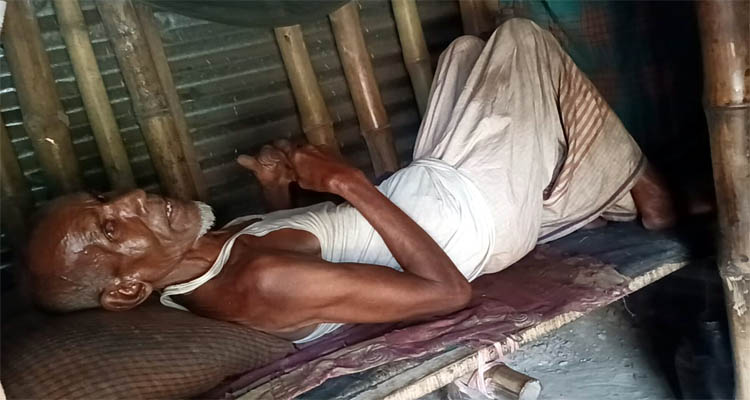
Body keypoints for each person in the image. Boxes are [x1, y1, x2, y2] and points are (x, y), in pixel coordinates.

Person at [23, 19, 675, 343]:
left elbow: (314, 242)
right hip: (468, 223)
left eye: (105, 198)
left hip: (427, 191)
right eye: (113, 227)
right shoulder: (257, 284)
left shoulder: (199, 259)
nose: (131, 198)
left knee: (465, 55)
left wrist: (278, 191)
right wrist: (347, 181)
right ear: (126, 289)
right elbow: (447, 294)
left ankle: (606, 185)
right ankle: (646, 186)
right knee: (521, 39)